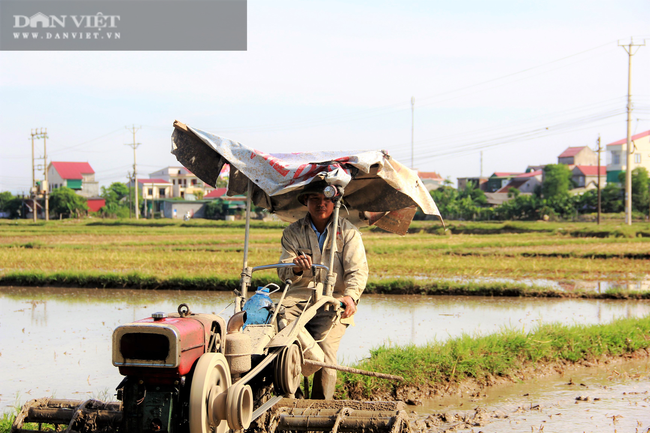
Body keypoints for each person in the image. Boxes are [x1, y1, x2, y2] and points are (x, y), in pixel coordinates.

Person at [277, 182, 368, 400]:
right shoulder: (292, 232)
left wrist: (351, 297)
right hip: (297, 302)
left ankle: (320, 407)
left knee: (325, 351)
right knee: (280, 338)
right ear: (306, 201)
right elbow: (283, 272)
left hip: (333, 302)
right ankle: (289, 400)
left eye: (327, 199)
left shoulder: (348, 233)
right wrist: (296, 267)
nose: (321, 204)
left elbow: (357, 272)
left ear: (335, 202)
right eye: (315, 199)